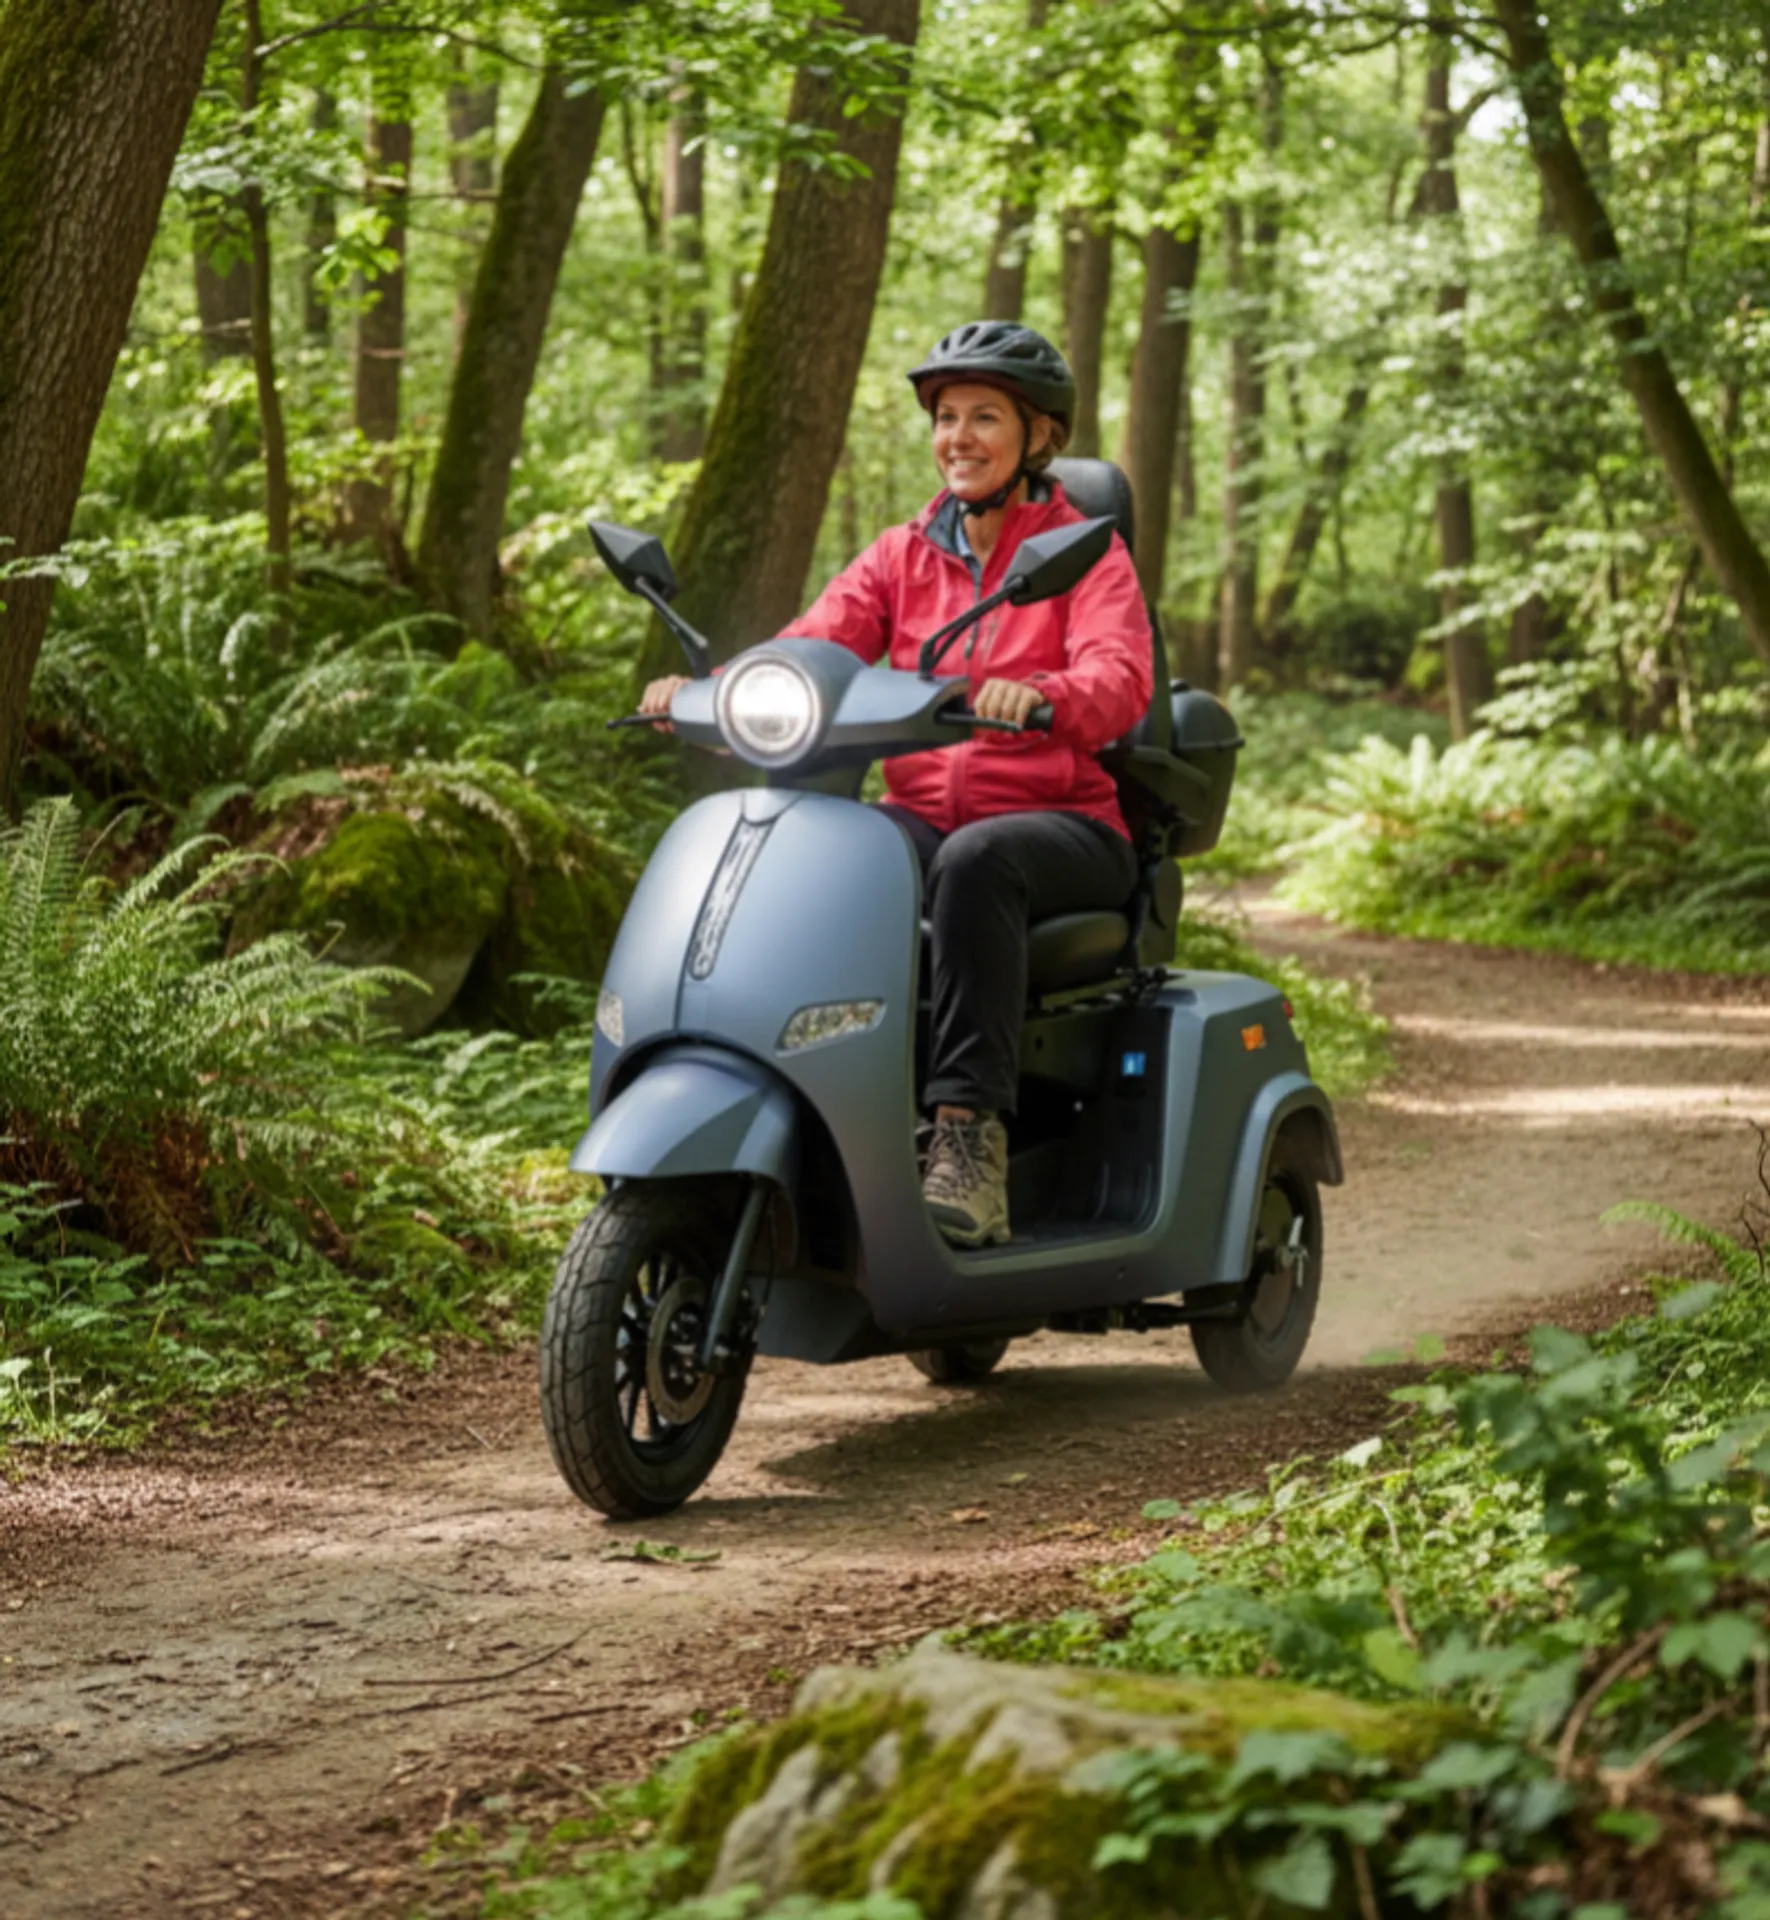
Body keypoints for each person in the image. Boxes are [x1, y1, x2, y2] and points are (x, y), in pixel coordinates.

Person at [641, 320, 1152, 1247]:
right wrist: (713, 697)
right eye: (946, 417)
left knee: (978, 860)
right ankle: (806, 1097)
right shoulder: (903, 552)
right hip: (922, 815)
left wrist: (1042, 696)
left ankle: (968, 1144)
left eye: (985, 417)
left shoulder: (1084, 552)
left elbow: (1119, 679)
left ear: (1040, 436)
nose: (959, 436)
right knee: (821, 849)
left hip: (1063, 825)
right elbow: (810, 645)